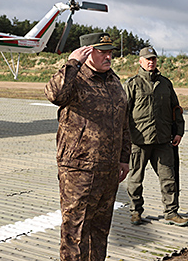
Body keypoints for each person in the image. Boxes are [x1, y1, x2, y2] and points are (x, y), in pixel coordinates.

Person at [45, 32, 131, 261]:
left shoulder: (114, 81)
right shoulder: (74, 79)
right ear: (87, 52)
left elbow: (124, 124)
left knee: (99, 231)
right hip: (79, 170)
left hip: (109, 169)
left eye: (110, 51)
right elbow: (54, 94)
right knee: (75, 233)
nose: (108, 56)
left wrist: (124, 158)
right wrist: (72, 63)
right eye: (102, 51)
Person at [123, 46, 188, 226]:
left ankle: (171, 212)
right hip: (139, 141)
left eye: (153, 59)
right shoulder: (132, 84)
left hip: (163, 140)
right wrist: (124, 138)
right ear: (140, 61)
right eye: (147, 59)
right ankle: (135, 212)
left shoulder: (165, 84)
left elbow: (176, 109)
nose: (151, 62)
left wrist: (178, 132)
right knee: (135, 179)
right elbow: (123, 113)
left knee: (169, 178)